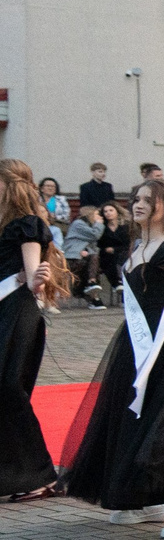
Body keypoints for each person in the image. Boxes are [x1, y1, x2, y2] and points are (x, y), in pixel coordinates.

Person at [58, 175, 164, 538]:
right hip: (137, 345)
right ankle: (148, 502)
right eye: (137, 198)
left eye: (149, 199)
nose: (139, 203)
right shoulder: (137, 247)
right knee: (130, 419)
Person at [0, 161, 65, 499]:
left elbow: (31, 275)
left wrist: (37, 278)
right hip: (6, 310)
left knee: (9, 388)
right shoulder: (6, 225)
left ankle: (40, 474)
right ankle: (20, 472)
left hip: (16, 312)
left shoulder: (26, 225)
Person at [62, 204, 101, 305]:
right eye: (97, 214)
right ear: (90, 214)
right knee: (92, 261)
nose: (99, 217)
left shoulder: (89, 226)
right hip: (71, 258)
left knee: (93, 261)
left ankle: (90, 289)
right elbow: (94, 235)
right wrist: (99, 224)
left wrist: (86, 251)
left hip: (83, 258)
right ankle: (92, 292)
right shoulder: (78, 224)